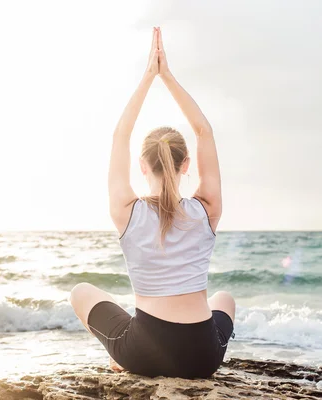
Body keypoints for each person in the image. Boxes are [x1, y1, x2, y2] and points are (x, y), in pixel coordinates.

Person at [69, 27, 235, 379]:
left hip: (143, 352)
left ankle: (119, 360)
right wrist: (168, 77)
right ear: (185, 164)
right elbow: (204, 131)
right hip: (203, 358)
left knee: (80, 291)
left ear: (142, 166)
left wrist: (149, 77)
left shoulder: (127, 213)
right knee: (225, 300)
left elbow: (120, 135)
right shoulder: (207, 209)